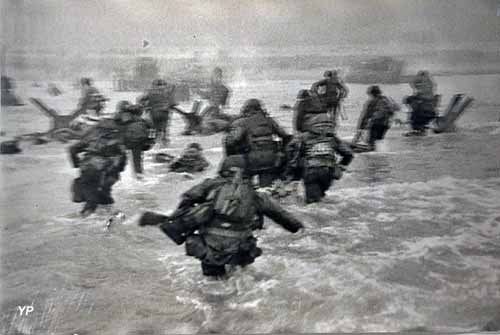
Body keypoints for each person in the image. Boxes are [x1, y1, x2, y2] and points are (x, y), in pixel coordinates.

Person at [138, 155, 304, 279]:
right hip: (241, 249)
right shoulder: (255, 195)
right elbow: (283, 217)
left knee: (213, 284)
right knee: (240, 280)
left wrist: (181, 220)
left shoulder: (211, 184)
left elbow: (187, 198)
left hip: (210, 248)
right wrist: (299, 229)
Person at [285, 113, 353, 204]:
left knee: (313, 203)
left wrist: (294, 167)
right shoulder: (332, 138)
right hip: (329, 172)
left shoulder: (303, 137)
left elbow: (290, 149)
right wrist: (341, 166)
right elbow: (349, 154)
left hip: (311, 172)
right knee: (320, 197)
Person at [224, 99, 292, 187]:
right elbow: (286, 136)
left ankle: (244, 184)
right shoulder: (270, 121)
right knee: (267, 187)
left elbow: (231, 141)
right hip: (273, 161)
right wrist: (281, 152)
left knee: (228, 162)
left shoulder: (243, 122)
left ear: (246, 110)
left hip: (252, 161)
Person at [69, 117, 127, 216]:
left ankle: (88, 219)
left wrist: (76, 164)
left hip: (87, 168)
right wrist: (117, 171)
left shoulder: (91, 138)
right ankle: (108, 216)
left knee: (91, 197)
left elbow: (72, 149)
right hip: (105, 171)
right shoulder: (116, 141)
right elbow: (122, 158)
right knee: (103, 196)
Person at [353, 85, 399, 150]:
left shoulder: (372, 101)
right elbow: (397, 108)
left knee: (371, 142)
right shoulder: (389, 99)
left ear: (371, 94)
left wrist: (360, 127)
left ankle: (371, 155)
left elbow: (365, 115)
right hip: (387, 124)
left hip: (376, 123)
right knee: (379, 141)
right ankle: (379, 155)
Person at [118, 101, 155, 179]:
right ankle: (139, 176)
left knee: (121, 160)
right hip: (139, 142)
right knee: (137, 161)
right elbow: (152, 131)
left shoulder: (122, 119)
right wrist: (151, 142)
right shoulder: (145, 120)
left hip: (126, 142)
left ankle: (124, 176)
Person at [137, 79, 177, 147]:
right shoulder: (167, 92)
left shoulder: (150, 92)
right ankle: (164, 141)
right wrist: (168, 106)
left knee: (155, 127)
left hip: (154, 112)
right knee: (164, 127)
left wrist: (145, 106)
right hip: (165, 113)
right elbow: (173, 103)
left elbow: (140, 100)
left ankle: (156, 142)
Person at [404, 71, 438, 135]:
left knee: (416, 116)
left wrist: (411, 99)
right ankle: (420, 129)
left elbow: (422, 98)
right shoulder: (428, 88)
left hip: (423, 113)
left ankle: (419, 129)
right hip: (427, 113)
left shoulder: (425, 90)